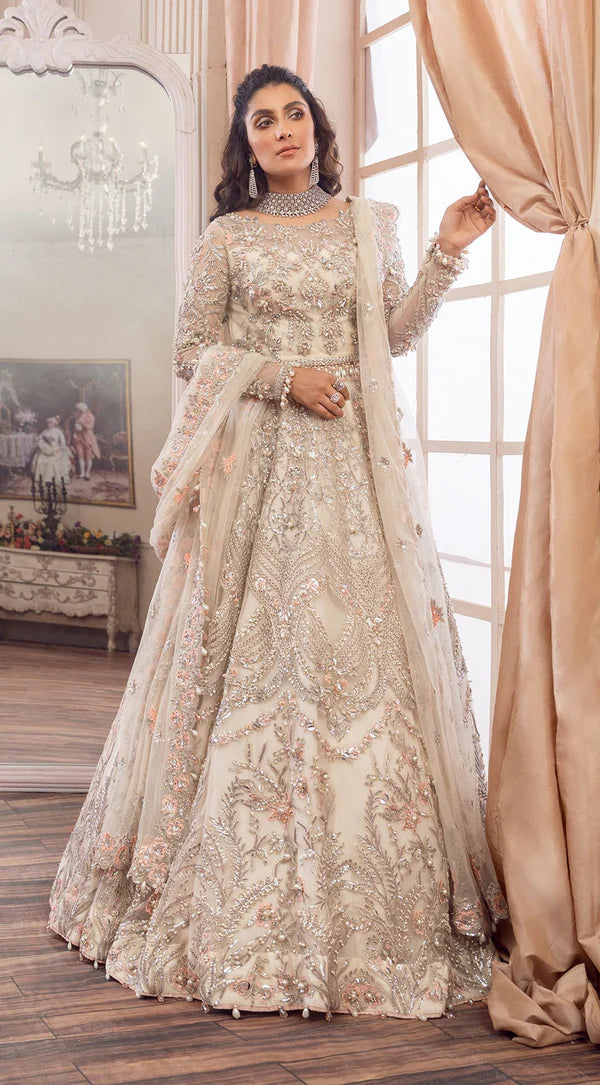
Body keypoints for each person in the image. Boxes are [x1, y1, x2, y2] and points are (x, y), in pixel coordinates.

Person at [49, 64, 506, 1021]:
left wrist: (445, 252)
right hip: (255, 472)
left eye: (295, 113)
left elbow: (391, 335)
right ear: (247, 145)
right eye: (264, 121)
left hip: (353, 474)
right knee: (249, 655)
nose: (283, 129)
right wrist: (282, 375)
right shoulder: (227, 238)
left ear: (317, 128)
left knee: (356, 657)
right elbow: (191, 351)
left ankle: (378, 899)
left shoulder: (369, 224)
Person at [30, 415, 70, 486]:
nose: (50, 424)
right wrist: (41, 444)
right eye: (49, 423)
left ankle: (49, 479)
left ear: (54, 424)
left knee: (51, 461)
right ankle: (41, 478)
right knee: (40, 460)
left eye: (51, 423)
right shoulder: (44, 431)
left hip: (55, 450)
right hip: (45, 450)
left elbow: (62, 443)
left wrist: (58, 448)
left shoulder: (58, 432)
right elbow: (39, 440)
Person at [69, 401, 100, 480]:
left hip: (87, 437)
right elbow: (75, 426)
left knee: (88, 455)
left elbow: (90, 427)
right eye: (77, 410)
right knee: (80, 455)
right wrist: (74, 434)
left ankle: (87, 473)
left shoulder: (91, 416)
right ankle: (82, 473)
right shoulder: (77, 415)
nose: (77, 412)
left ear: (82, 409)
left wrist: (82, 422)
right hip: (78, 437)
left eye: (78, 410)